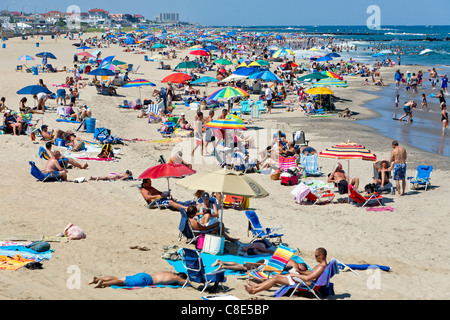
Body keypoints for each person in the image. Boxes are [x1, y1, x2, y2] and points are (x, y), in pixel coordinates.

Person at [244, 248, 328, 295]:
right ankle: (255, 287)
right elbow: (311, 274)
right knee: (275, 277)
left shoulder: (321, 267)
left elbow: (309, 277)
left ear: (321, 256)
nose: (315, 258)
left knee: (276, 278)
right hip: (304, 279)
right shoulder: (321, 265)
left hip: (306, 282)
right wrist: (300, 272)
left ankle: (254, 291)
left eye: (316, 256)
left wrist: (296, 275)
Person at [88, 271, 187, 288]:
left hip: (144, 275)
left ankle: (97, 279)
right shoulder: (176, 278)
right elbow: (186, 282)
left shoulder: (169, 273)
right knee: (122, 282)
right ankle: (102, 283)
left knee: (121, 278)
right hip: (146, 281)